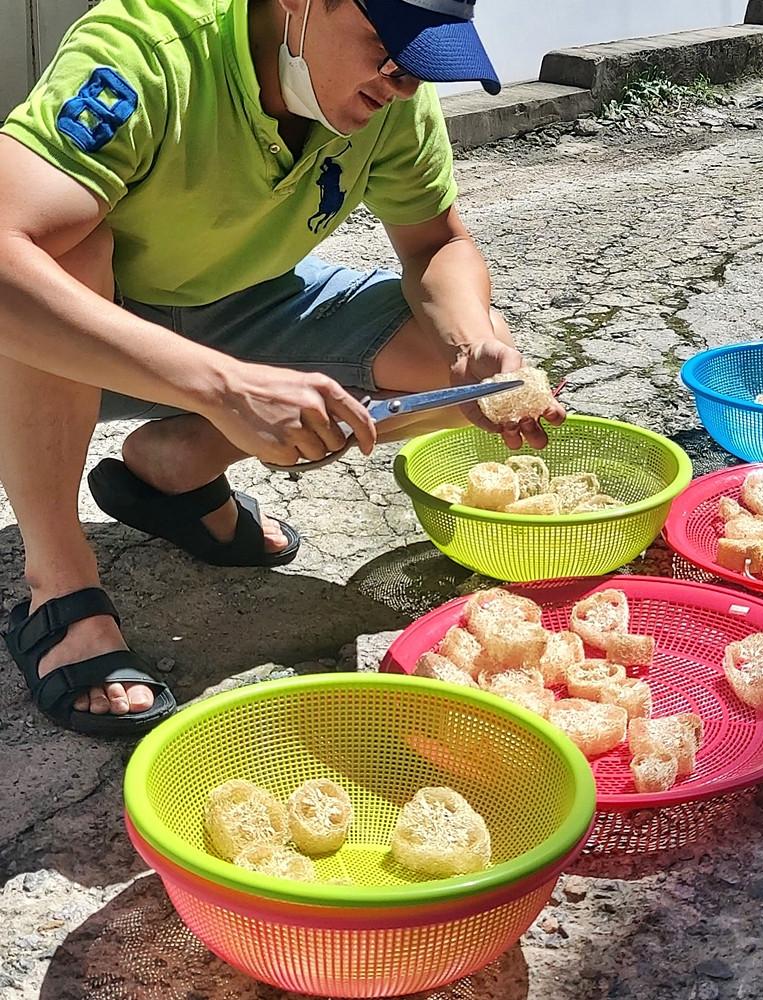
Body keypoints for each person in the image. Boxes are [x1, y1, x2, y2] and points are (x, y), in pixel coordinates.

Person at [0, 0, 565, 736]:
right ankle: (59, 582)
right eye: (385, 46)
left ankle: (177, 466)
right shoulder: (148, 48)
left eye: (420, 62)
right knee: (61, 247)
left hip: (241, 305)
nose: (400, 83)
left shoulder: (394, 101)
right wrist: (224, 386)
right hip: (75, 334)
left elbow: (435, 245)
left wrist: (467, 345)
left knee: (468, 362)